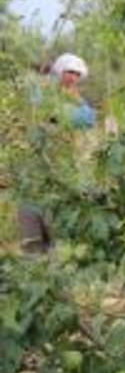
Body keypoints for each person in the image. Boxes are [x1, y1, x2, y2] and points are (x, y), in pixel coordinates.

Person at [18, 53, 95, 255]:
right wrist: (61, 114)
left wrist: (61, 114)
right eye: (69, 72)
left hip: (61, 160)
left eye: (77, 74)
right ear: (60, 71)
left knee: (57, 207)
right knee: (31, 205)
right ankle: (33, 254)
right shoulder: (43, 89)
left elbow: (88, 118)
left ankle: (54, 255)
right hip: (37, 158)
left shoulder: (75, 97)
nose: (73, 78)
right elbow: (37, 110)